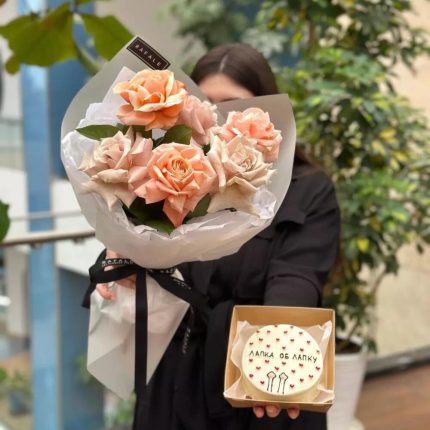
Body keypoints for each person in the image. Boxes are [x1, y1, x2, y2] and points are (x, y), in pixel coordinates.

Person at [93, 43, 341, 430]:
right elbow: (133, 255)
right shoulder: (167, 177)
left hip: (252, 380)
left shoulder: (306, 189)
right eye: (208, 105)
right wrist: (119, 258)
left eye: (234, 105)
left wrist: (277, 347)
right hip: (171, 384)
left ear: (266, 114)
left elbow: (296, 278)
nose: (220, 118)